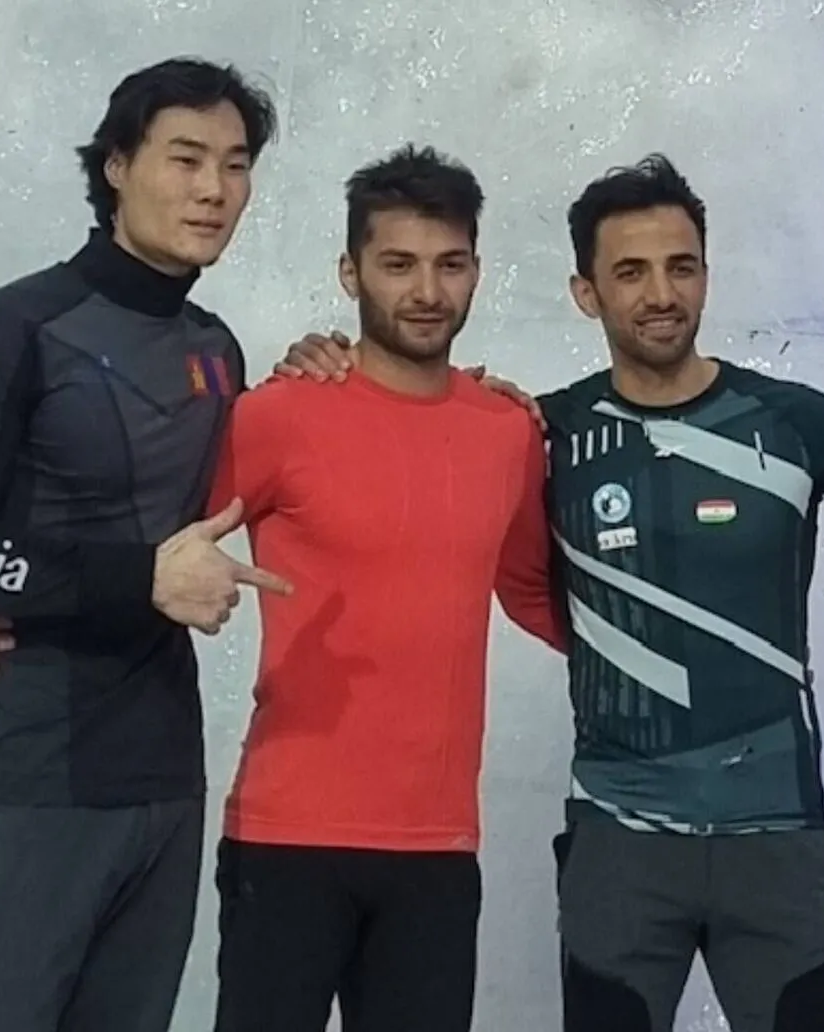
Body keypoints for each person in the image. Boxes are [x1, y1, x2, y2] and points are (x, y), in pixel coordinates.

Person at [272, 153, 824, 1031]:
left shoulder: (790, 420)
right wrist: (323, 364)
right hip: (619, 849)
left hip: (777, 843)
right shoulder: (539, 432)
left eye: (680, 267)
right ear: (587, 293)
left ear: (705, 276)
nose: (661, 293)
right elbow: (407, 458)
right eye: (630, 272)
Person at [0, 57, 291, 1032]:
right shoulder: (14, 327)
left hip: (162, 785)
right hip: (30, 784)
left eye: (235, 165)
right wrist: (138, 578)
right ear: (117, 165)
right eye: (185, 158)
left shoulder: (216, 349)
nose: (213, 189)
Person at [204, 143, 560, 1032]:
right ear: (350, 271)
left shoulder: (508, 431)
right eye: (398, 265)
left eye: (450, 264)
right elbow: (160, 550)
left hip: (437, 850)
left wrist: (684, 659)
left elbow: (534, 593)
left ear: (477, 270)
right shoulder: (276, 415)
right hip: (286, 836)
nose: (427, 291)